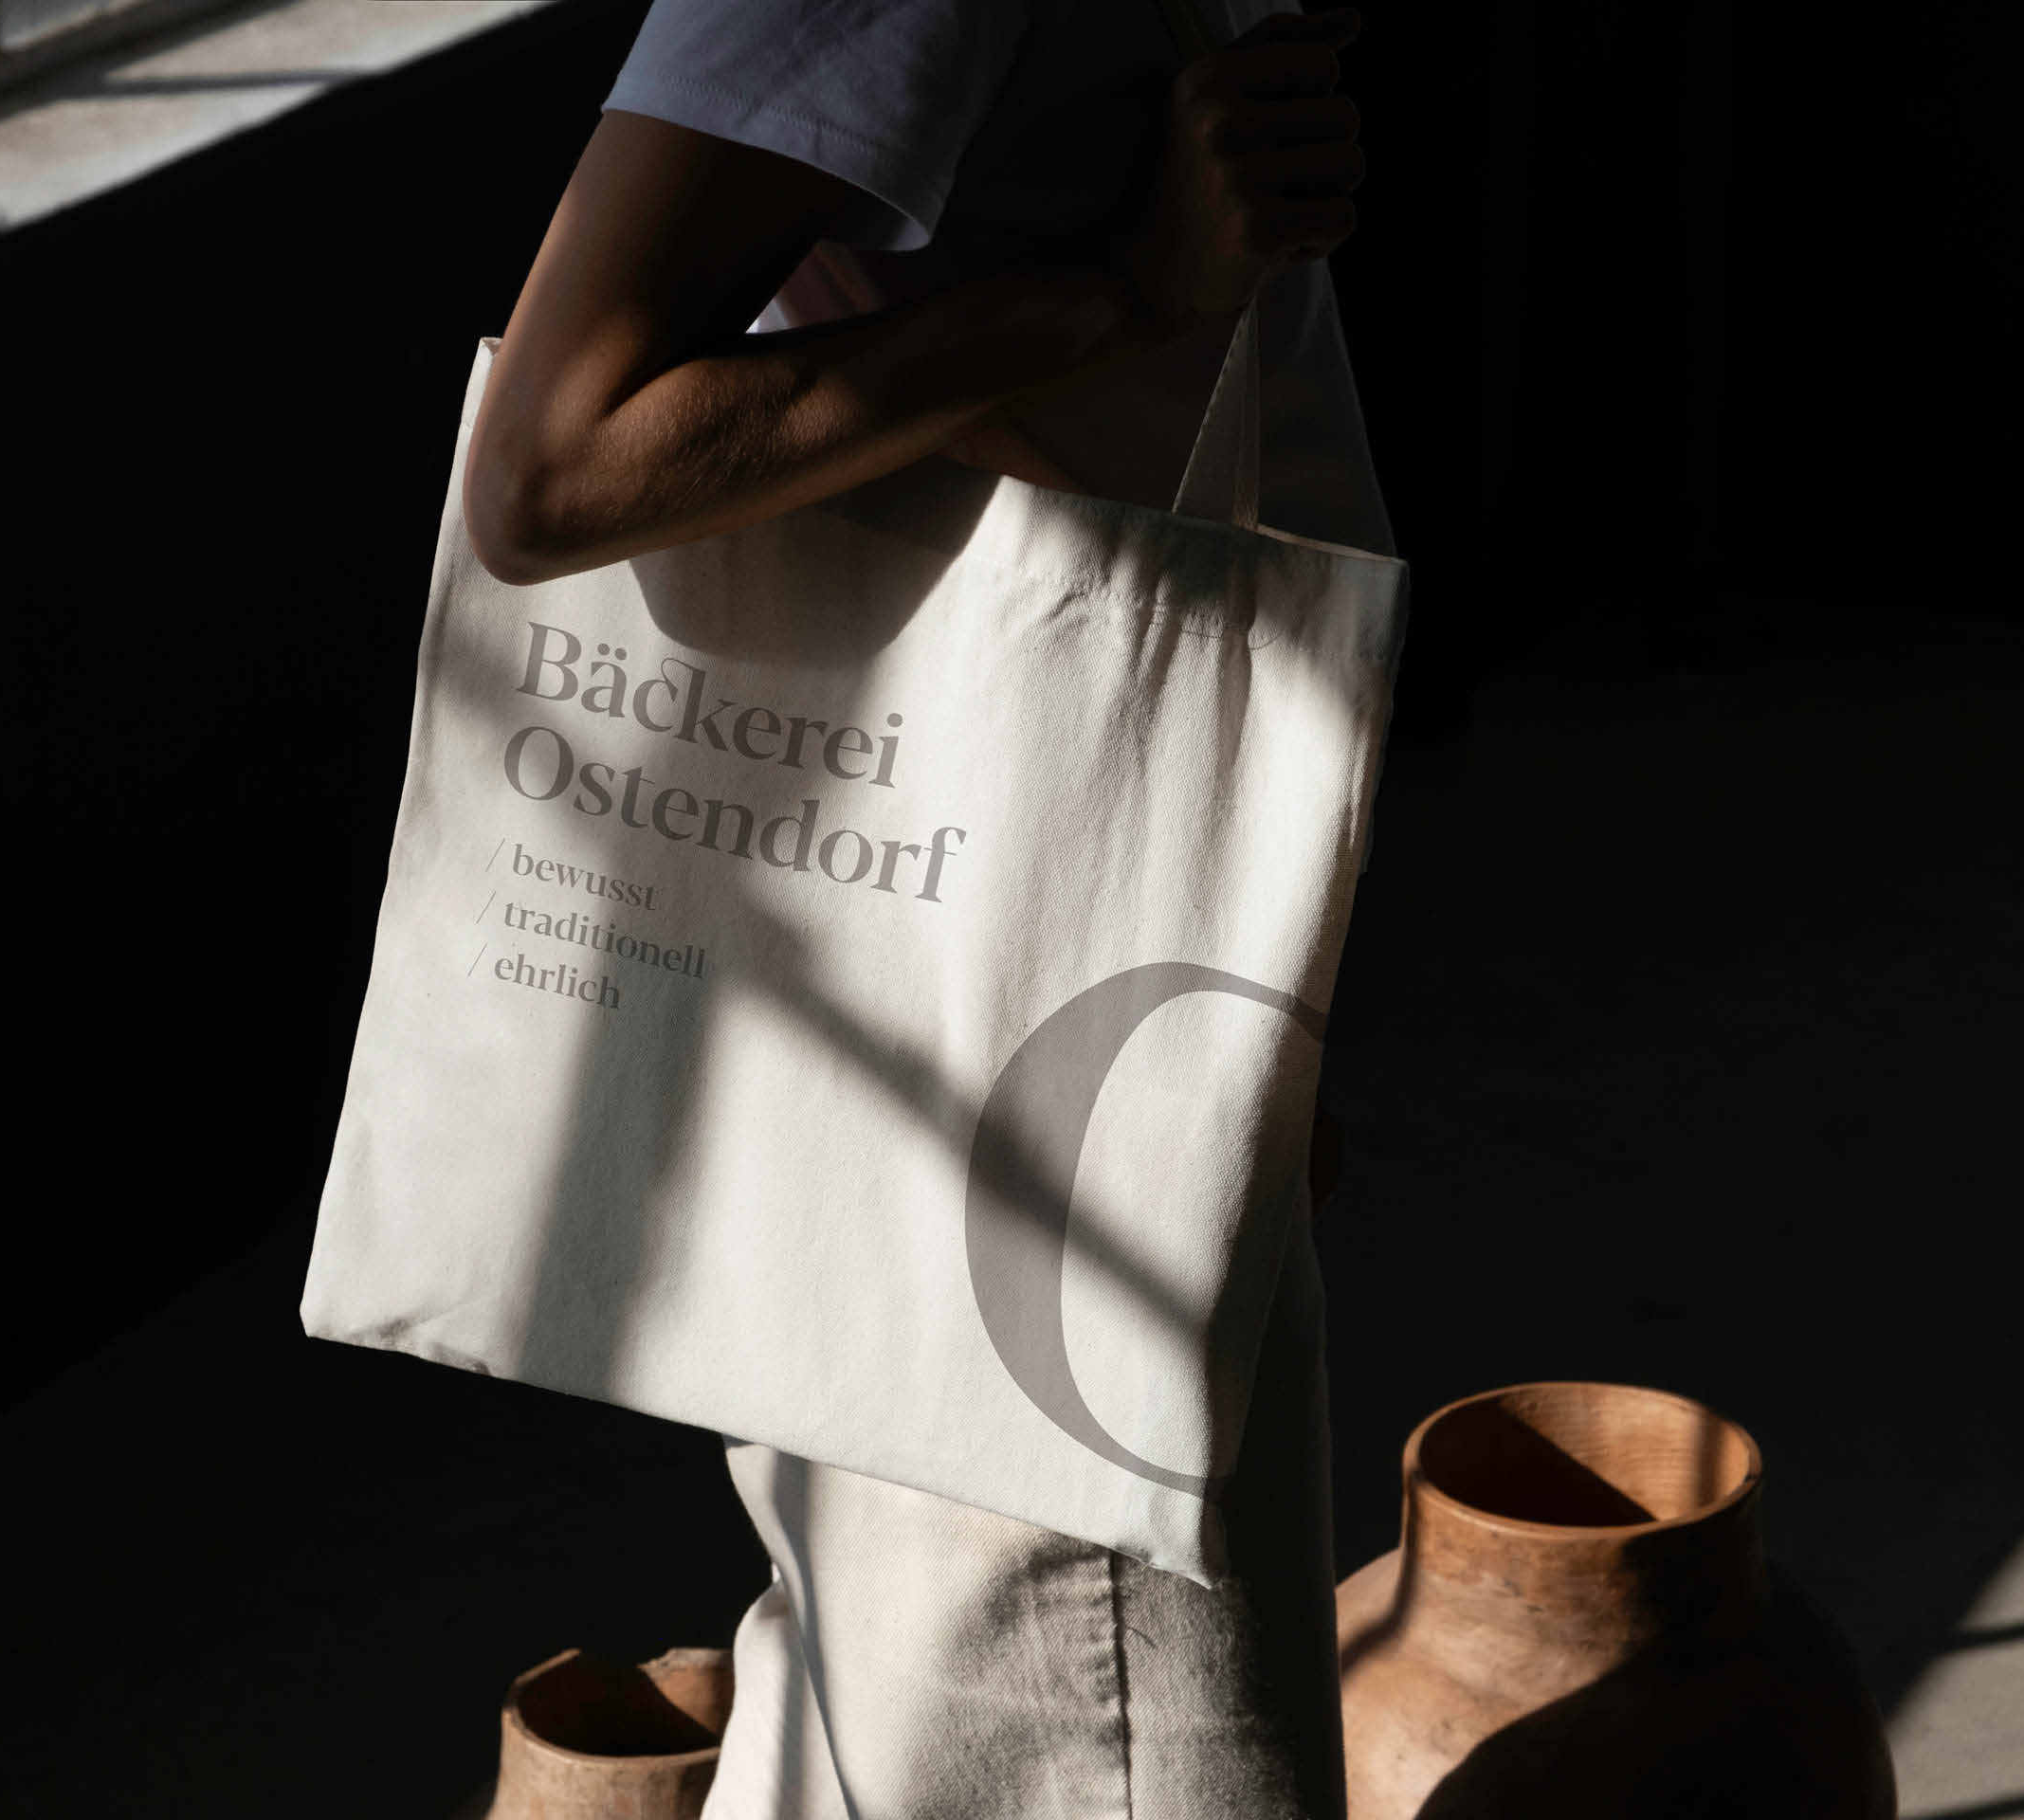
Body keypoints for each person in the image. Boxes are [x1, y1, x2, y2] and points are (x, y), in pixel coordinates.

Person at [464, 3, 1387, 1813]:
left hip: (1098, 915)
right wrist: (1119, 283)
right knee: (1112, 1723)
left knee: (914, 1714)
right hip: (1012, 976)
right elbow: (553, 466)